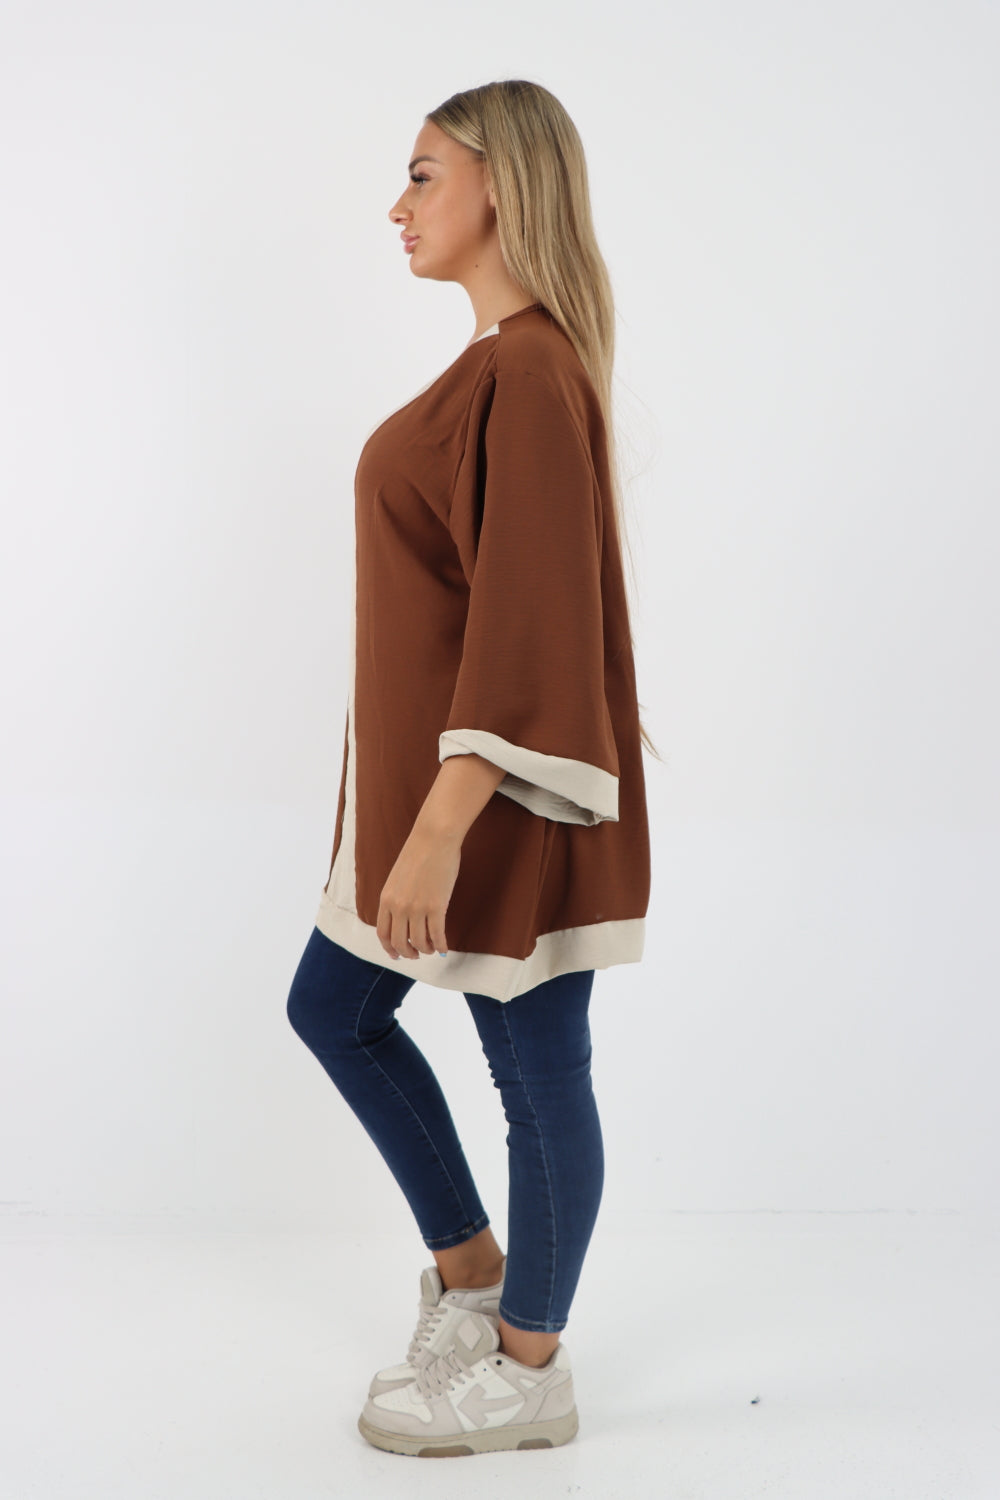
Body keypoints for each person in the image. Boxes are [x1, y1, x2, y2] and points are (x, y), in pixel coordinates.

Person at [285, 78, 653, 1459]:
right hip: (436, 800)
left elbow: (528, 627)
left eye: (423, 174)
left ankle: (530, 1363)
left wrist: (439, 830)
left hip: (498, 808)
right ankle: (474, 1274)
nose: (399, 205)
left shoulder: (530, 372)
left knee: (538, 1073)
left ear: (501, 183)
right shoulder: (498, 367)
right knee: (335, 1009)